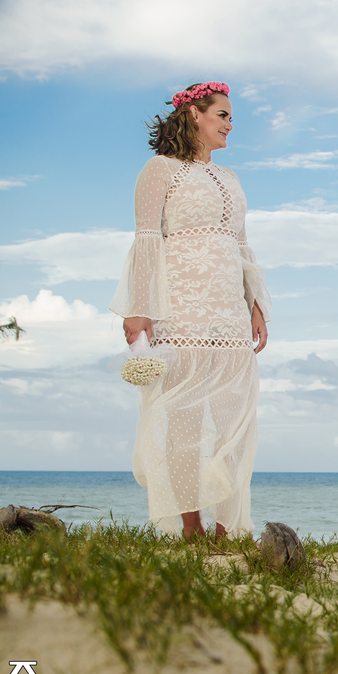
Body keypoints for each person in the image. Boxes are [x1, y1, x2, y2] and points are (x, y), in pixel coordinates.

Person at [110, 82, 271, 540]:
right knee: (182, 421)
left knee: (233, 420)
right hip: (178, 308)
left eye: (230, 116)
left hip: (230, 312)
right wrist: (139, 308)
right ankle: (190, 527)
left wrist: (256, 305)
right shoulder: (160, 170)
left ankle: (226, 526)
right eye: (222, 114)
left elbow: (242, 245)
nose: (229, 124)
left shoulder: (231, 179)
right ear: (194, 115)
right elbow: (146, 238)